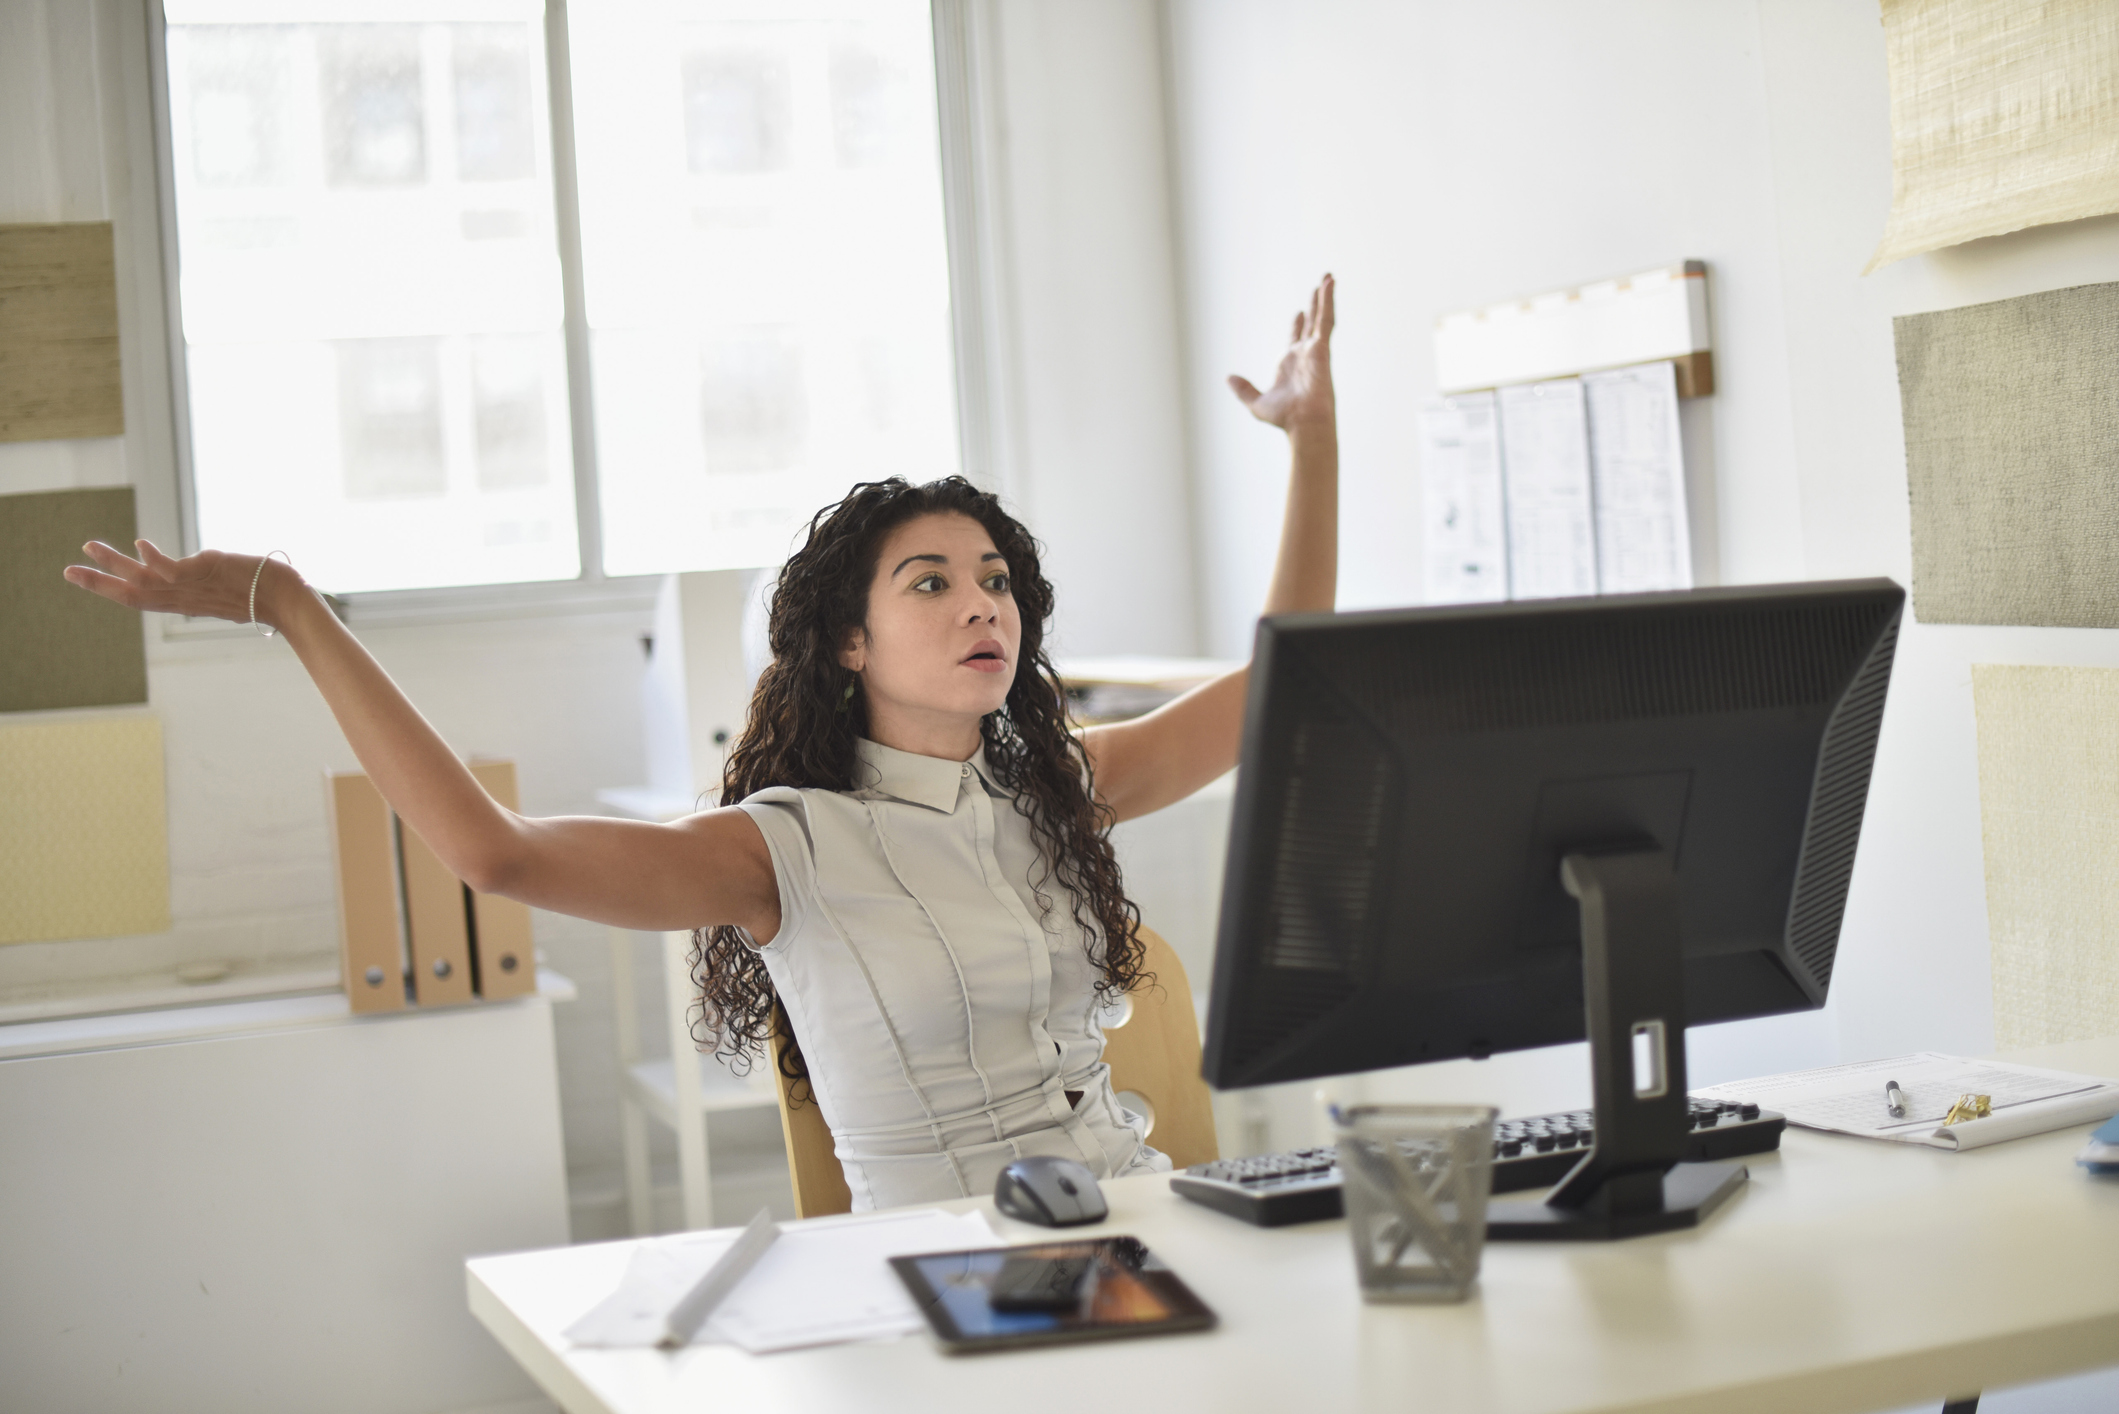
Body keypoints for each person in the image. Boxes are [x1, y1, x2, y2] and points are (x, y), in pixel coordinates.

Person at [64, 274, 1340, 1210]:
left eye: (996, 578)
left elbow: (1288, 679)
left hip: (1143, 1226)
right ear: (847, 642)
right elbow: (491, 853)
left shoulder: (1059, 788)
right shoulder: (784, 849)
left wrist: (1309, 440)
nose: (981, 604)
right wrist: (291, 606)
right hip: (959, 1282)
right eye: (931, 582)